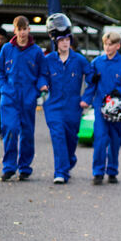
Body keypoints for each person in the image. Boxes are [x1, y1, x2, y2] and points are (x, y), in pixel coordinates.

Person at [38, 13, 93, 184]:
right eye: (62, 40)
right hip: (53, 106)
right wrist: (43, 84)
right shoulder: (47, 60)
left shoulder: (79, 60)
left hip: (73, 107)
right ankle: (60, 172)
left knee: (70, 138)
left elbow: (92, 79)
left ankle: (69, 161)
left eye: (68, 39)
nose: (65, 42)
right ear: (56, 41)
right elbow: (41, 76)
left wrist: (87, 98)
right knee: (58, 137)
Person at [82, 30, 121, 184]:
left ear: (118, 46)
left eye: (110, 44)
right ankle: (98, 172)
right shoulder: (97, 62)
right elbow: (91, 84)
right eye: (105, 44)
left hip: (117, 107)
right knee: (100, 138)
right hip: (101, 106)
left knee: (114, 139)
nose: (107, 47)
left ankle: (112, 171)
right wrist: (86, 99)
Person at [0, 16, 45, 181]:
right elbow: (0, 72)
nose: (22, 33)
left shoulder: (37, 51)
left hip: (28, 97)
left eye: (25, 29)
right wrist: (3, 89)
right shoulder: (6, 49)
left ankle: (25, 166)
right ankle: (9, 167)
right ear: (14, 30)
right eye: (19, 29)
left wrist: (37, 91)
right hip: (9, 97)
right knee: (10, 129)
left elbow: (42, 74)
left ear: (29, 29)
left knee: (27, 133)